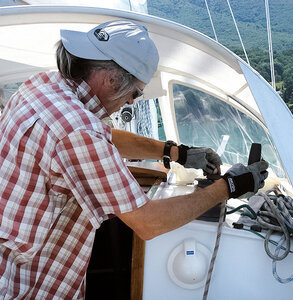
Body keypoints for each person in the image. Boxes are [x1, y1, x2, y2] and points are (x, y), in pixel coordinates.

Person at [0, 20, 268, 299]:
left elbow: (105, 136)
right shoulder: (78, 131)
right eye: (135, 93)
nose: (130, 102)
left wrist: (177, 153)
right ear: (112, 78)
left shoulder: (45, 86)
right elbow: (148, 222)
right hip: (25, 285)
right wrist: (230, 186)